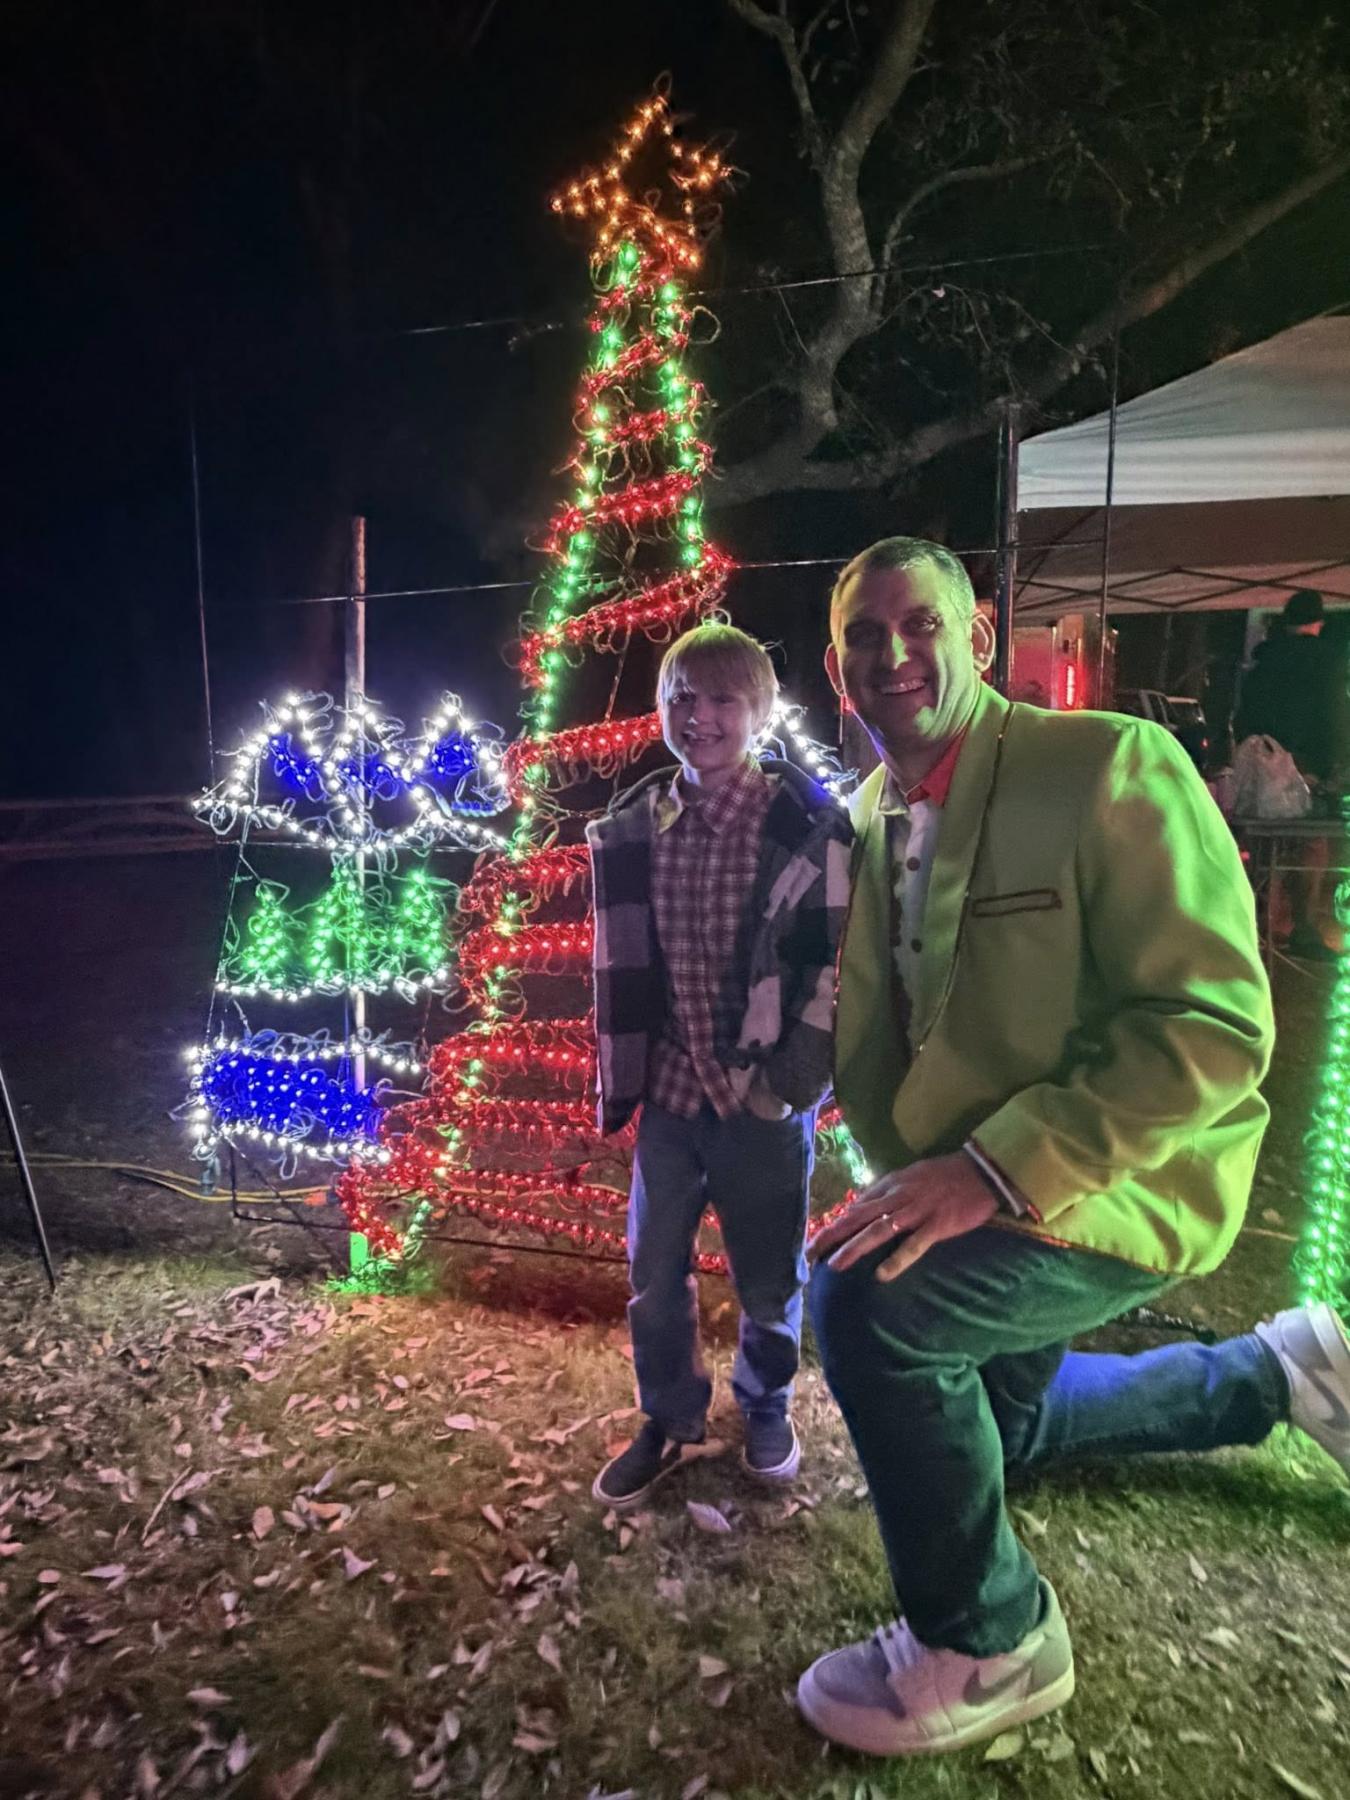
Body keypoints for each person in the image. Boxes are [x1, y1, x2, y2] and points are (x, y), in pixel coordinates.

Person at [796, 536, 1350, 1759]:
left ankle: (991, 1638)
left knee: (871, 1310)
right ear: (837, 674)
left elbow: (1214, 1028)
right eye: (863, 637)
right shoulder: (859, 819)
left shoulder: (1106, 764)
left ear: (980, 637)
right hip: (963, 1187)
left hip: (1129, 1171)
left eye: (921, 623)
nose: (894, 653)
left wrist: (987, 1173)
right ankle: (1279, 1372)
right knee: (1004, 1429)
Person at [585, 620, 851, 1509]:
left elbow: (831, 965)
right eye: (680, 699)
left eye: (721, 699)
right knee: (654, 1273)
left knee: (769, 1275)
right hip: (668, 1100)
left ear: (761, 713)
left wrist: (787, 1084)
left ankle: (766, 1402)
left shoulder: (805, 827)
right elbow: (628, 967)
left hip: (761, 1104)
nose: (698, 717)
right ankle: (667, 1417)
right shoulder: (638, 830)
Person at [1233, 588, 1345, 958]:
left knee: (1267, 844)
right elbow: (1333, 719)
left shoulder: (1262, 665)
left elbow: (1244, 719)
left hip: (1262, 767)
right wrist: (1331, 767)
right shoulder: (1326, 663)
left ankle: (1259, 920)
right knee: (1311, 843)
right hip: (1307, 767)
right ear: (1318, 622)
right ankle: (1304, 927)